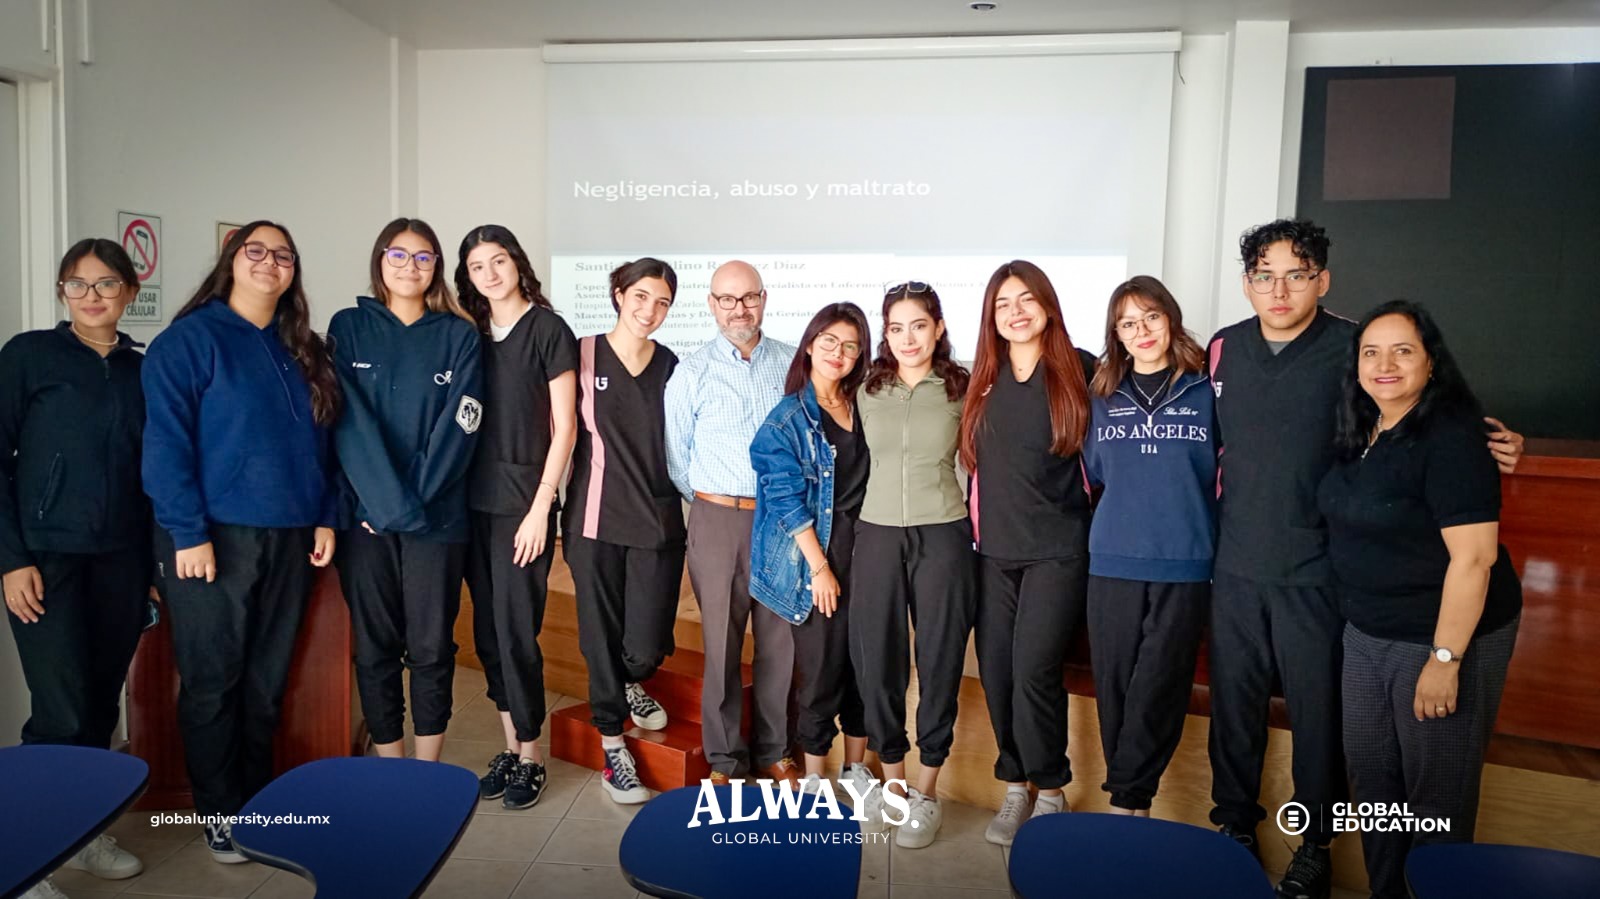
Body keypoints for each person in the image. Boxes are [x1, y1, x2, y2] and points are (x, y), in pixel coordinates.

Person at [1205, 219, 1523, 899]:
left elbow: (1423, 408)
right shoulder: (1222, 348)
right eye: (1265, 275)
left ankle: (1314, 847)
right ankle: (1233, 829)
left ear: (1323, 280)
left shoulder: (1353, 345)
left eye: (1297, 274)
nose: (1280, 289)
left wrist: (1491, 438)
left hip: (1323, 575)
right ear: (1247, 283)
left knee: (1323, 722)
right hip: (1239, 567)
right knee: (1239, 715)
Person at [142, 221, 339, 864]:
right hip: (210, 540)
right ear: (231, 260)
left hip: (290, 537)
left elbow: (322, 444)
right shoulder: (189, 340)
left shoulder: (300, 346)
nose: (269, 263)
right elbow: (165, 446)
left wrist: (324, 516)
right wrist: (187, 533)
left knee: (265, 682)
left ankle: (257, 807)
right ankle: (219, 813)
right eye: (256, 251)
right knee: (212, 682)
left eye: (283, 255)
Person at [1319, 301, 1521, 899]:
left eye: (1403, 350)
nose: (1385, 364)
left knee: (1436, 804)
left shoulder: (1452, 436)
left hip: (1439, 637)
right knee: (1374, 790)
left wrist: (1444, 660)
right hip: (1366, 632)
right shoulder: (1361, 426)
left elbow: (1474, 559)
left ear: (1431, 362)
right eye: (1371, 352)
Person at [2, 240, 149, 890]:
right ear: (62, 291)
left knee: (96, 708)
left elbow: (152, 473)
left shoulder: (142, 369)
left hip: (121, 561)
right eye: (77, 284)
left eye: (106, 283)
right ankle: (26, 855)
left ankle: (83, 834)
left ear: (129, 290)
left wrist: (151, 569)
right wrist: (11, 560)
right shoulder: (29, 355)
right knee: (58, 711)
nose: (92, 296)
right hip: (46, 560)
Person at [330, 218, 482, 766]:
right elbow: (347, 422)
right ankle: (390, 766)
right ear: (380, 260)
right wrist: (384, 505)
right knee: (375, 646)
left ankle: (426, 767)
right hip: (365, 518)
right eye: (398, 255)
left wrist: (406, 504)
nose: (410, 266)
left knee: (431, 645)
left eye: (423, 257)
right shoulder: (348, 327)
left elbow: (461, 427)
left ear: (436, 267)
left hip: (437, 519)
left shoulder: (459, 335)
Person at [960, 260, 1098, 846]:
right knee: (996, 671)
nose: (1015, 312)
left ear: (1047, 305)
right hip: (993, 553)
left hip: (1057, 552)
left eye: (1025, 300)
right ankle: (1015, 784)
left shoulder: (1081, 370)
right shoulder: (982, 377)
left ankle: (1052, 788)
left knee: (1035, 671)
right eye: (1002, 303)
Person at [1081, 276, 1215, 818]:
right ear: (1116, 334)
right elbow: (1094, 471)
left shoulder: (1206, 391)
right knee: (1115, 684)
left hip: (1186, 558)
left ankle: (1127, 800)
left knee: (1160, 685)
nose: (1142, 331)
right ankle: (1132, 807)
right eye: (1128, 323)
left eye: (1152, 317)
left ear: (1171, 320)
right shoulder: (1101, 397)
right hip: (1113, 557)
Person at [663, 260, 799, 786]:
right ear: (711, 304)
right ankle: (724, 759)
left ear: (763, 299)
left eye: (748, 297)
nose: (738, 309)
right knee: (720, 642)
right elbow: (678, 459)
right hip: (717, 520)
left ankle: (775, 750)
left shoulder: (793, 365)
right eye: (727, 299)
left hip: (781, 521)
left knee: (779, 642)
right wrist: (715, 503)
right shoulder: (691, 372)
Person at [455, 224, 577, 809]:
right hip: (469, 503)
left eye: (498, 260)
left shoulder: (548, 329)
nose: (490, 274)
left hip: (522, 507)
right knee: (487, 634)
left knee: (515, 631)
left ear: (518, 263)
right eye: (478, 266)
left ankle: (532, 754)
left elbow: (566, 427)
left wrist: (541, 507)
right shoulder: (469, 333)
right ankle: (510, 744)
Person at [850, 283, 975, 848]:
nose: (908, 338)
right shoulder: (867, 389)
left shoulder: (962, 387)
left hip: (943, 532)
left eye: (919, 325)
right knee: (878, 662)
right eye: (896, 328)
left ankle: (927, 791)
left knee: (940, 659)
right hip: (876, 533)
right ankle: (894, 784)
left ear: (938, 328)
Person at [564, 258, 685, 805]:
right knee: (598, 635)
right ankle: (614, 747)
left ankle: (631, 680)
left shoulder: (671, 366)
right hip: (594, 521)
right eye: (640, 296)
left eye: (662, 302)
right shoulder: (582, 354)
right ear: (618, 294)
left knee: (646, 645)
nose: (649, 310)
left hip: (656, 523)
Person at [749, 303, 872, 799]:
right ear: (809, 345)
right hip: (816, 559)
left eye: (850, 345)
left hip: (870, 553)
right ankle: (817, 777)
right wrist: (820, 568)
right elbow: (783, 498)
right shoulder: (788, 419)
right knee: (821, 671)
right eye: (829, 342)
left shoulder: (865, 405)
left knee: (865, 666)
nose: (838, 353)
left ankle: (855, 769)